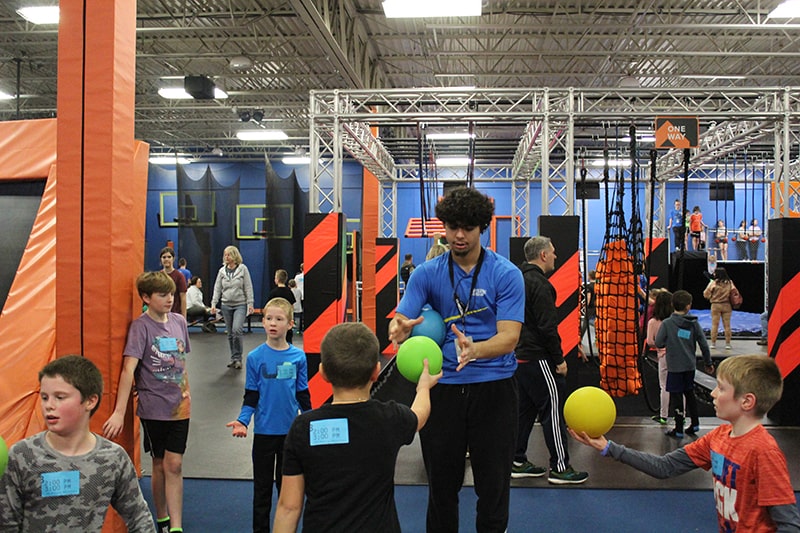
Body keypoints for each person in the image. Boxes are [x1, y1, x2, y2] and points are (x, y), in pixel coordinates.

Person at [388, 186, 525, 532]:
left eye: (467, 228)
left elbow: (510, 337)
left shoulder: (506, 274)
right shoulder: (426, 273)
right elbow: (402, 318)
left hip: (493, 389)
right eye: (452, 227)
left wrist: (476, 349)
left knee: (493, 488)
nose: (459, 235)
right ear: (444, 228)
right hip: (443, 390)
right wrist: (399, 329)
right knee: (441, 488)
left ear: (482, 228)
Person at [569, 355, 800, 532]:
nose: (713, 394)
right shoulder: (718, 437)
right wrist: (608, 447)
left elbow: (788, 523)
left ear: (747, 401)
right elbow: (664, 467)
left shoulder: (763, 452)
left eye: (721, 388)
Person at [273, 322, 441, 533]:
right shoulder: (389, 418)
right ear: (376, 372)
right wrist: (423, 387)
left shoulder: (303, 428)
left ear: (323, 372)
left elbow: (289, 507)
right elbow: (420, 415)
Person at [0, 355, 155, 532]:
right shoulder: (22, 455)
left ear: (90, 401)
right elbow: (6, 524)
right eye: (44, 397)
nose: (49, 405)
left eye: (60, 397)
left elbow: (139, 517)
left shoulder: (112, 458)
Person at [103, 272, 191, 533]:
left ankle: (176, 526)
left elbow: (182, 361)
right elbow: (128, 369)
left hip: (181, 407)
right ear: (146, 297)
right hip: (153, 409)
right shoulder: (140, 327)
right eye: (162, 295)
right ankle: (162, 517)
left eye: (172, 294)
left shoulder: (179, 322)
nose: (169, 299)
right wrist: (120, 412)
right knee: (159, 463)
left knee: (175, 464)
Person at [227, 297, 310, 533]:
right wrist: (243, 421)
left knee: (288, 490)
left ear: (290, 324)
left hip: (289, 435)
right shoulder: (254, 358)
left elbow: (303, 394)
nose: (273, 323)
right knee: (261, 491)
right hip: (264, 434)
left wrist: (311, 421)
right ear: (263, 322)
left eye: (279, 319)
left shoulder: (298, 357)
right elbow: (251, 395)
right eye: (269, 318)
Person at [512, 236, 589, 484]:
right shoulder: (541, 284)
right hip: (539, 358)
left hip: (520, 358)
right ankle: (559, 467)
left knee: (525, 411)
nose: (555, 256)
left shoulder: (516, 280)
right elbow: (547, 327)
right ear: (543, 255)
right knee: (553, 411)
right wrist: (559, 360)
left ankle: (517, 460)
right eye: (553, 252)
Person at [655, 290, 714, 439]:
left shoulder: (668, 323)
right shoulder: (694, 323)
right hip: (689, 366)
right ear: (689, 306)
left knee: (676, 396)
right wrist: (708, 363)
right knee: (689, 393)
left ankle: (679, 428)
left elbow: (659, 342)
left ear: (672, 305)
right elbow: (703, 344)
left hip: (674, 366)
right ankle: (694, 423)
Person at [211, 245, 254, 370]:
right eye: (225, 254)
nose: (226, 257)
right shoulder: (221, 271)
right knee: (230, 333)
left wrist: (250, 303)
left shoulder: (243, 269)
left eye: (228, 254)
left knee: (237, 330)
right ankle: (233, 358)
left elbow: (248, 287)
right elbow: (217, 288)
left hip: (240, 304)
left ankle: (239, 358)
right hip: (226, 305)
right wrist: (214, 303)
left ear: (234, 255)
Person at [646, 290, 673, 425]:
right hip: (677, 355)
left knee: (664, 386)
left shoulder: (653, 322)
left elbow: (650, 341)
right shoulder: (675, 321)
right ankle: (683, 415)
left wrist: (659, 346)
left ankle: (664, 416)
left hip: (663, 356)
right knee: (683, 387)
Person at [703, 267, 737, 350]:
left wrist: (711, 296)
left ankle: (713, 343)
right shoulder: (730, 282)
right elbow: (734, 292)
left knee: (715, 325)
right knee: (727, 325)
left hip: (715, 305)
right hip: (727, 305)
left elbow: (706, 294)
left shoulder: (714, 283)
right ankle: (728, 344)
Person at [269, 269, 296, 344]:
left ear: (277, 279)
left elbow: (269, 306)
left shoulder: (273, 293)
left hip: (276, 320)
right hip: (286, 319)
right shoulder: (289, 292)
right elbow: (292, 306)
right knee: (288, 340)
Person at [160, 247, 187, 318]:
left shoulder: (179, 276)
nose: (166, 259)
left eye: (169, 257)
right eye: (164, 257)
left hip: (175, 315)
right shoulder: (158, 276)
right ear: (161, 259)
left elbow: (183, 299)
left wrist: (184, 318)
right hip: (160, 315)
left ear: (173, 259)